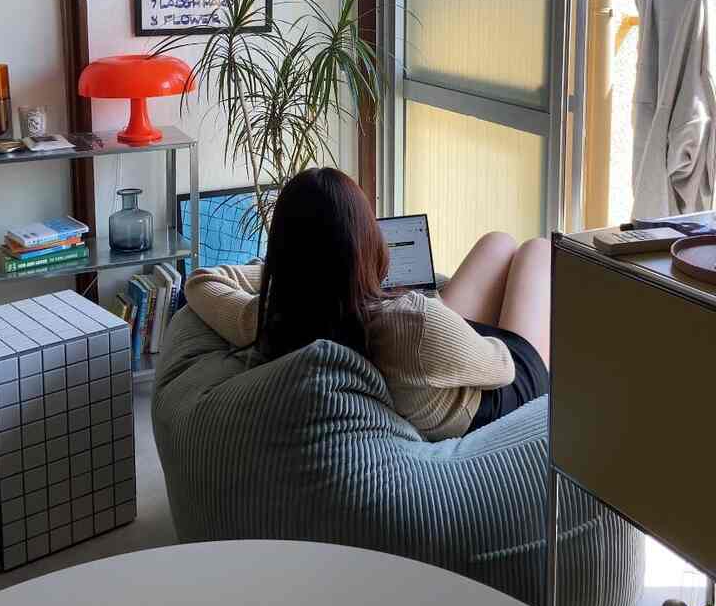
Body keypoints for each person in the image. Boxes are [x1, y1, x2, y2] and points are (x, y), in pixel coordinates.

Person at [184, 167, 550, 442]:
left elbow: (200, 282)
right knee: (538, 251)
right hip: (480, 399)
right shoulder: (413, 320)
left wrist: (292, 273)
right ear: (366, 241)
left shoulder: (270, 321)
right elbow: (500, 367)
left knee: (497, 243)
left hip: (427, 361)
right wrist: (455, 332)